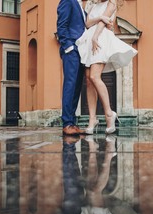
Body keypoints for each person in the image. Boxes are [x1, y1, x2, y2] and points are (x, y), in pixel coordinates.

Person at [76, 0, 137, 134]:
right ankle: (92, 119)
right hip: (89, 38)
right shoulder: (92, 5)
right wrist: (99, 17)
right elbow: (87, 23)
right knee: (88, 79)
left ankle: (109, 113)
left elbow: (103, 23)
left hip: (100, 38)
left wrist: (96, 37)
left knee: (94, 76)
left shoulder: (111, 2)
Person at [57, 0, 87, 135]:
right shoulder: (68, 1)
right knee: (70, 84)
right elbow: (61, 25)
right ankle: (67, 123)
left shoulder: (81, 5)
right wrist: (68, 46)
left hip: (80, 51)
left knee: (76, 87)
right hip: (72, 50)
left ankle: (72, 122)